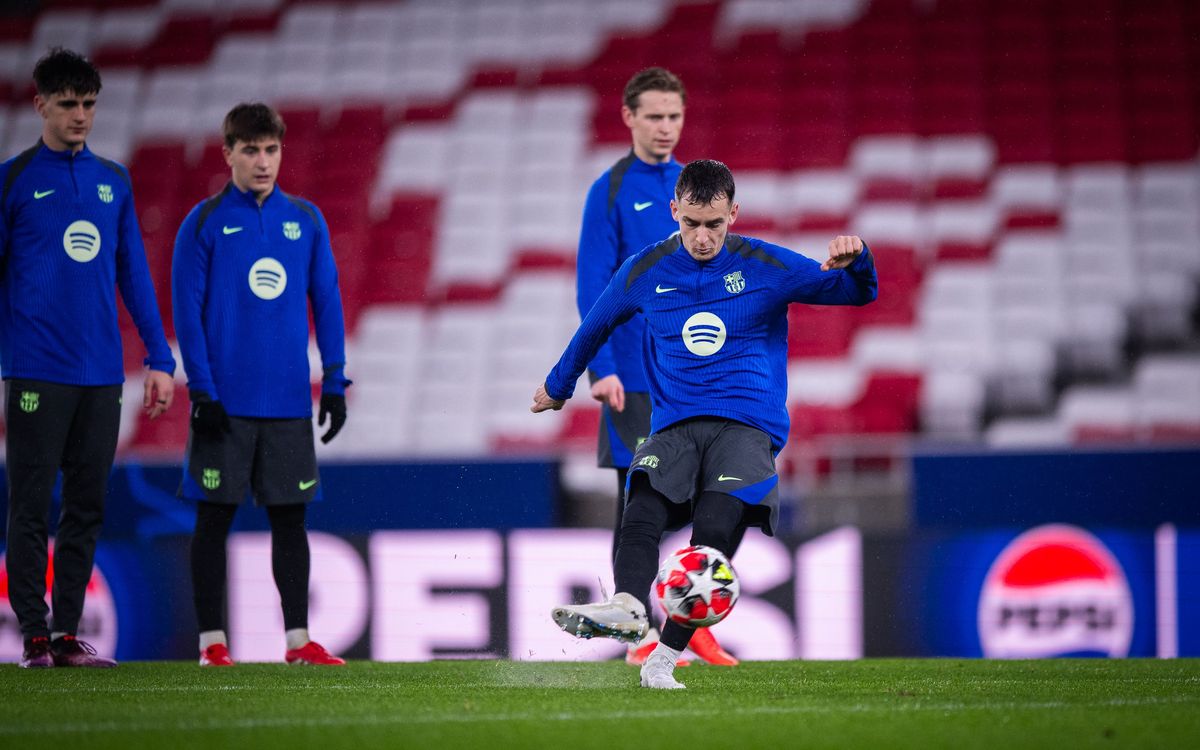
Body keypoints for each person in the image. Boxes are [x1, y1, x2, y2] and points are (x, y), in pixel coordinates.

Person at [532, 160, 877, 688]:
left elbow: (852, 292)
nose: (701, 236)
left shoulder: (764, 263)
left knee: (712, 537)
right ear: (674, 211)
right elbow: (594, 326)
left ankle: (664, 659)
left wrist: (858, 261)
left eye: (713, 225)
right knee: (640, 506)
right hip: (675, 424)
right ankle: (628, 606)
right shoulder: (645, 270)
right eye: (690, 222)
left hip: (746, 425)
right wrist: (559, 386)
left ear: (733, 214)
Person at [1, 48, 176, 669]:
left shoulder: (114, 181)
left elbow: (132, 272)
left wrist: (159, 353)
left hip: (102, 374)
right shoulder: (13, 179)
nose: (81, 115)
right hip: (35, 372)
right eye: (69, 104)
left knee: (86, 505)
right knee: (29, 502)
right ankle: (32, 635)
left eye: (90, 104)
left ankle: (68, 632)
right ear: (40, 103)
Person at [172, 102, 351, 667]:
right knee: (214, 517)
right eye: (250, 150)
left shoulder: (307, 220)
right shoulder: (202, 223)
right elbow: (187, 311)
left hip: (288, 401)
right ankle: (212, 645)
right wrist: (201, 390)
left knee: (290, 519)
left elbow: (327, 301)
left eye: (271, 149)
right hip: (224, 401)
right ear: (227, 154)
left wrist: (337, 381)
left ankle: (298, 642)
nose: (262, 161)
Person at [577, 67, 736, 667]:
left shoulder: (692, 188)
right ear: (629, 117)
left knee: (707, 496)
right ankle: (640, 633)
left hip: (690, 375)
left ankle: (686, 614)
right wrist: (602, 368)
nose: (666, 127)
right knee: (638, 501)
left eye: (674, 116)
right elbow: (593, 284)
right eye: (654, 116)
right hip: (632, 377)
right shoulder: (610, 190)